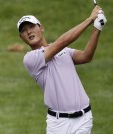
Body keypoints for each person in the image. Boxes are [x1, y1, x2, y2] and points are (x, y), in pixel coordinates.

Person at [17, 5, 107, 134]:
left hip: (84, 119)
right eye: (24, 30)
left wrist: (97, 28)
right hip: (58, 124)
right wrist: (90, 19)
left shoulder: (62, 50)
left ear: (41, 27)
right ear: (21, 38)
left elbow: (86, 56)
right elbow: (63, 41)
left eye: (31, 26)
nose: (29, 32)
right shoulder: (30, 59)